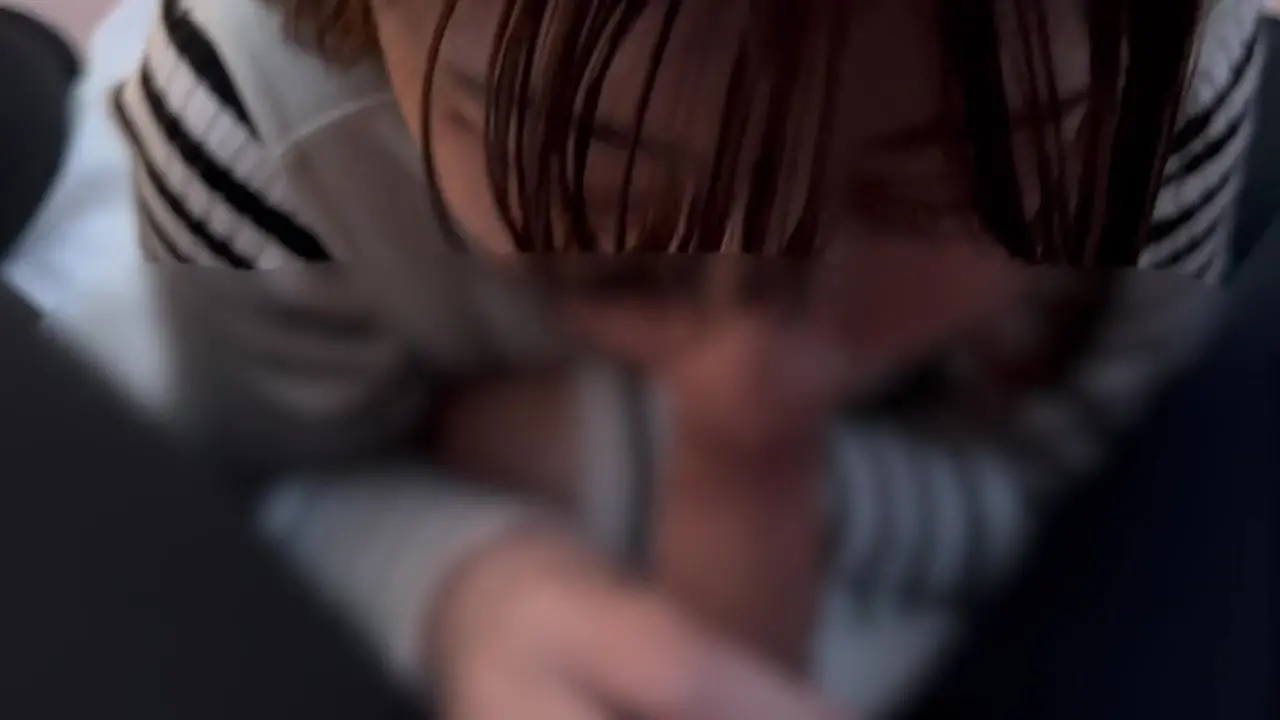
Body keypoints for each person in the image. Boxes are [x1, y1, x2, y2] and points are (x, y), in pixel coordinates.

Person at [111, 0, 1263, 717]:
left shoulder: (1172, 93)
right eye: (596, 180)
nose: (750, 373)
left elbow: (1078, 486)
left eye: (930, 189)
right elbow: (263, 489)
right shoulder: (250, 128)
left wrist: (630, 457)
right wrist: (463, 586)